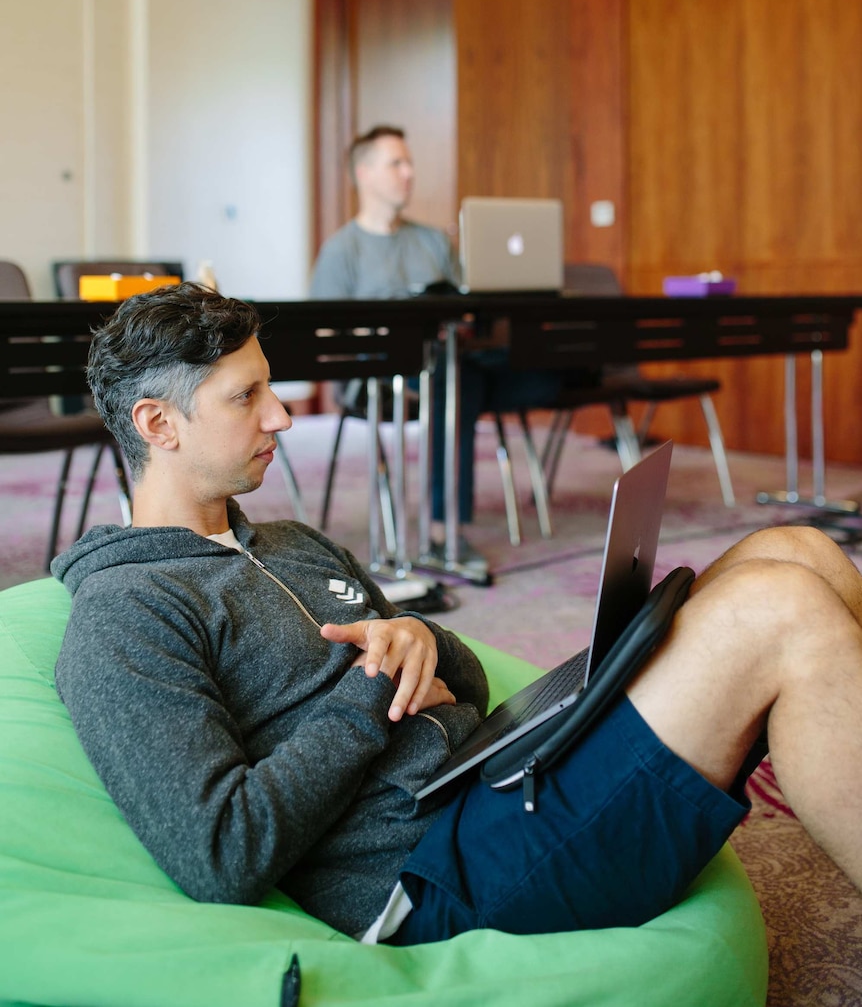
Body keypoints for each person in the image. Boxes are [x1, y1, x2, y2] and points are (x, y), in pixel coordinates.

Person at [53, 282, 862, 947]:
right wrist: (374, 687)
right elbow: (221, 853)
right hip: (441, 872)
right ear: (157, 424)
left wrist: (422, 640)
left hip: (494, 774)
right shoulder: (126, 611)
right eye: (247, 397)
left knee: (797, 551)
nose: (284, 417)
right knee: (779, 607)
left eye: (270, 386)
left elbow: (466, 685)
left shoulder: (291, 540)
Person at [310, 125, 587, 567]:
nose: (409, 173)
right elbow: (324, 333)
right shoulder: (342, 251)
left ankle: (444, 522)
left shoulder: (433, 242)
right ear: (363, 173)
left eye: (410, 163)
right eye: (396, 163)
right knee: (454, 386)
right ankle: (442, 530)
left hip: (453, 365)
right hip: (382, 377)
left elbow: (465, 307)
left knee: (544, 371)